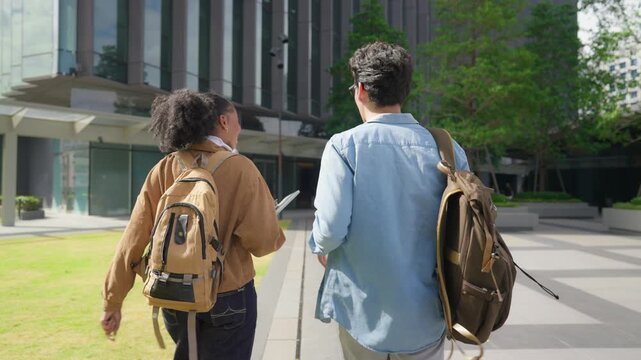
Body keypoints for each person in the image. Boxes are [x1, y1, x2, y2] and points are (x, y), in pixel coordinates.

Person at [308, 41, 469, 360]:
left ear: (361, 89)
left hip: (363, 314)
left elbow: (330, 229)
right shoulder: (448, 150)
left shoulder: (344, 147)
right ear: (403, 90)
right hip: (429, 311)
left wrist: (320, 247)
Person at [100, 89, 285, 360]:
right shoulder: (242, 168)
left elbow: (132, 240)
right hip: (228, 298)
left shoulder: (164, 168)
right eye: (237, 121)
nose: (239, 129)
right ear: (223, 122)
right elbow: (264, 243)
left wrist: (112, 301)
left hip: (174, 294)